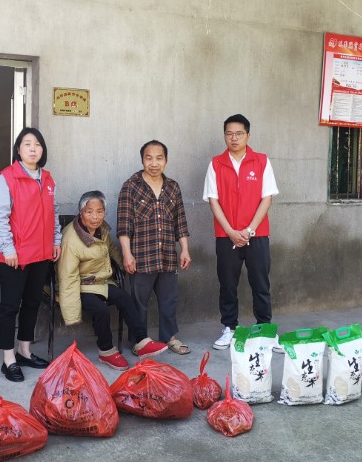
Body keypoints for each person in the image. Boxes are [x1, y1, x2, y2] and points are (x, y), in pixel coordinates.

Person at [57, 191, 168, 370]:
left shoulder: (102, 230)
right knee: (101, 310)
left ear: (104, 212)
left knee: (125, 298)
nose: (95, 217)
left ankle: (141, 342)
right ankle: (106, 351)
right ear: (80, 212)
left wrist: (126, 263)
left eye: (99, 211)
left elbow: (112, 250)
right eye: (89, 212)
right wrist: (71, 314)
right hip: (80, 286)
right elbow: (67, 277)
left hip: (100, 282)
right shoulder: (71, 239)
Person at [0, 127, 61, 382]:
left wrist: (56, 240)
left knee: (32, 303)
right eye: (27, 143)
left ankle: (24, 351)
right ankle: (8, 359)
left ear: (43, 150)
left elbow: (54, 213)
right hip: (14, 257)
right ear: (18, 149)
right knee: (9, 307)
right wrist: (7, 248)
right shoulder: (5, 179)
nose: (32, 148)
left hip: (40, 254)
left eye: (37, 144)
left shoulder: (48, 179)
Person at [203, 114, 279, 350]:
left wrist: (249, 230)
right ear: (224, 135)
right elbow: (213, 200)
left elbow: (267, 198)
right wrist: (231, 231)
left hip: (257, 234)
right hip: (226, 236)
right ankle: (230, 328)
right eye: (229, 133)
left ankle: (265, 330)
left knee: (260, 282)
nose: (233, 138)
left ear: (248, 135)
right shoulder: (216, 163)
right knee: (227, 284)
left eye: (238, 133)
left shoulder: (262, 161)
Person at [117, 140, 192, 355]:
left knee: (169, 300)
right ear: (142, 160)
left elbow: (180, 222)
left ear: (166, 161)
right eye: (149, 158)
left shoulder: (173, 187)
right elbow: (124, 225)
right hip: (141, 256)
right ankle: (140, 341)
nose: (154, 163)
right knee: (138, 302)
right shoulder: (131, 186)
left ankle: (169, 338)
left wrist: (184, 249)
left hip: (167, 254)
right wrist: (127, 254)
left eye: (159, 158)